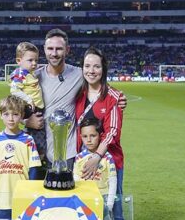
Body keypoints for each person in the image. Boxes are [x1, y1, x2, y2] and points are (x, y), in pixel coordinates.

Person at [25, 29, 127, 174]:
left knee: (68, 194)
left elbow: (98, 82)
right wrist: (26, 121)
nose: (54, 53)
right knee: (37, 195)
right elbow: (12, 109)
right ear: (44, 50)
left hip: (69, 153)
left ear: (67, 50)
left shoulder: (79, 74)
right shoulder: (33, 78)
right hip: (38, 150)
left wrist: (119, 99)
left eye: (59, 49)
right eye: (50, 48)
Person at [74, 46, 126, 220]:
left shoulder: (113, 97)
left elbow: (113, 131)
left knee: (113, 208)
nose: (91, 70)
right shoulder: (78, 95)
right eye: (87, 66)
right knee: (86, 206)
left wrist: (97, 156)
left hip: (109, 162)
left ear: (103, 69)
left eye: (96, 66)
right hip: (83, 162)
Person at [10, 41, 46, 163]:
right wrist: (29, 99)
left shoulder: (30, 74)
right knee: (38, 140)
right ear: (19, 61)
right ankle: (37, 162)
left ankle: (37, 159)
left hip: (37, 109)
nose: (34, 63)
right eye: (30, 60)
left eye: (36, 60)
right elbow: (14, 90)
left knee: (38, 137)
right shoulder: (20, 74)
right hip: (32, 110)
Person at [73, 117, 117, 217]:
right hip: (84, 199)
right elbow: (76, 180)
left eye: (92, 136)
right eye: (85, 136)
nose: (89, 140)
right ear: (80, 136)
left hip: (103, 200)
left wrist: (109, 205)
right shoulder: (79, 158)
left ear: (100, 136)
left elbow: (112, 182)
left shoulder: (108, 158)